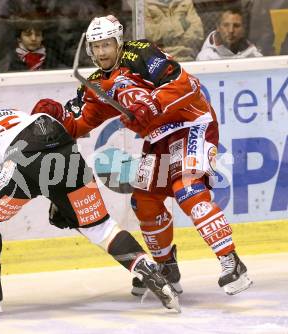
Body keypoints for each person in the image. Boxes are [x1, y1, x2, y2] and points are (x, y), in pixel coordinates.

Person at [32, 15, 253, 298]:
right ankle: (166, 269)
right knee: (144, 200)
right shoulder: (97, 84)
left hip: (191, 124)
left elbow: (186, 86)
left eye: (107, 45)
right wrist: (57, 117)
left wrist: (152, 104)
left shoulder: (141, 53)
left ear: (118, 42)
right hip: (158, 138)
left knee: (187, 189)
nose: (102, 52)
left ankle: (231, 262)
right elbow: (80, 123)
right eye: (96, 46)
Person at [0, 86, 180, 314]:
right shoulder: (9, 113)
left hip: (25, 151)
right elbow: (44, 144)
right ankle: (149, 269)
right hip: (60, 142)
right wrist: (58, 196)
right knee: (99, 226)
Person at [0, 18, 66, 72]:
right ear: (19, 38)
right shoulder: (9, 60)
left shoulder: (52, 58)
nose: (33, 38)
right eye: (28, 35)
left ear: (42, 37)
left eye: (38, 35)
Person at [196, 7, 262, 60]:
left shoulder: (254, 55)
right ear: (218, 27)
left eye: (236, 26)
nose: (231, 30)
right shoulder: (205, 57)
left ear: (243, 29)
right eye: (226, 25)